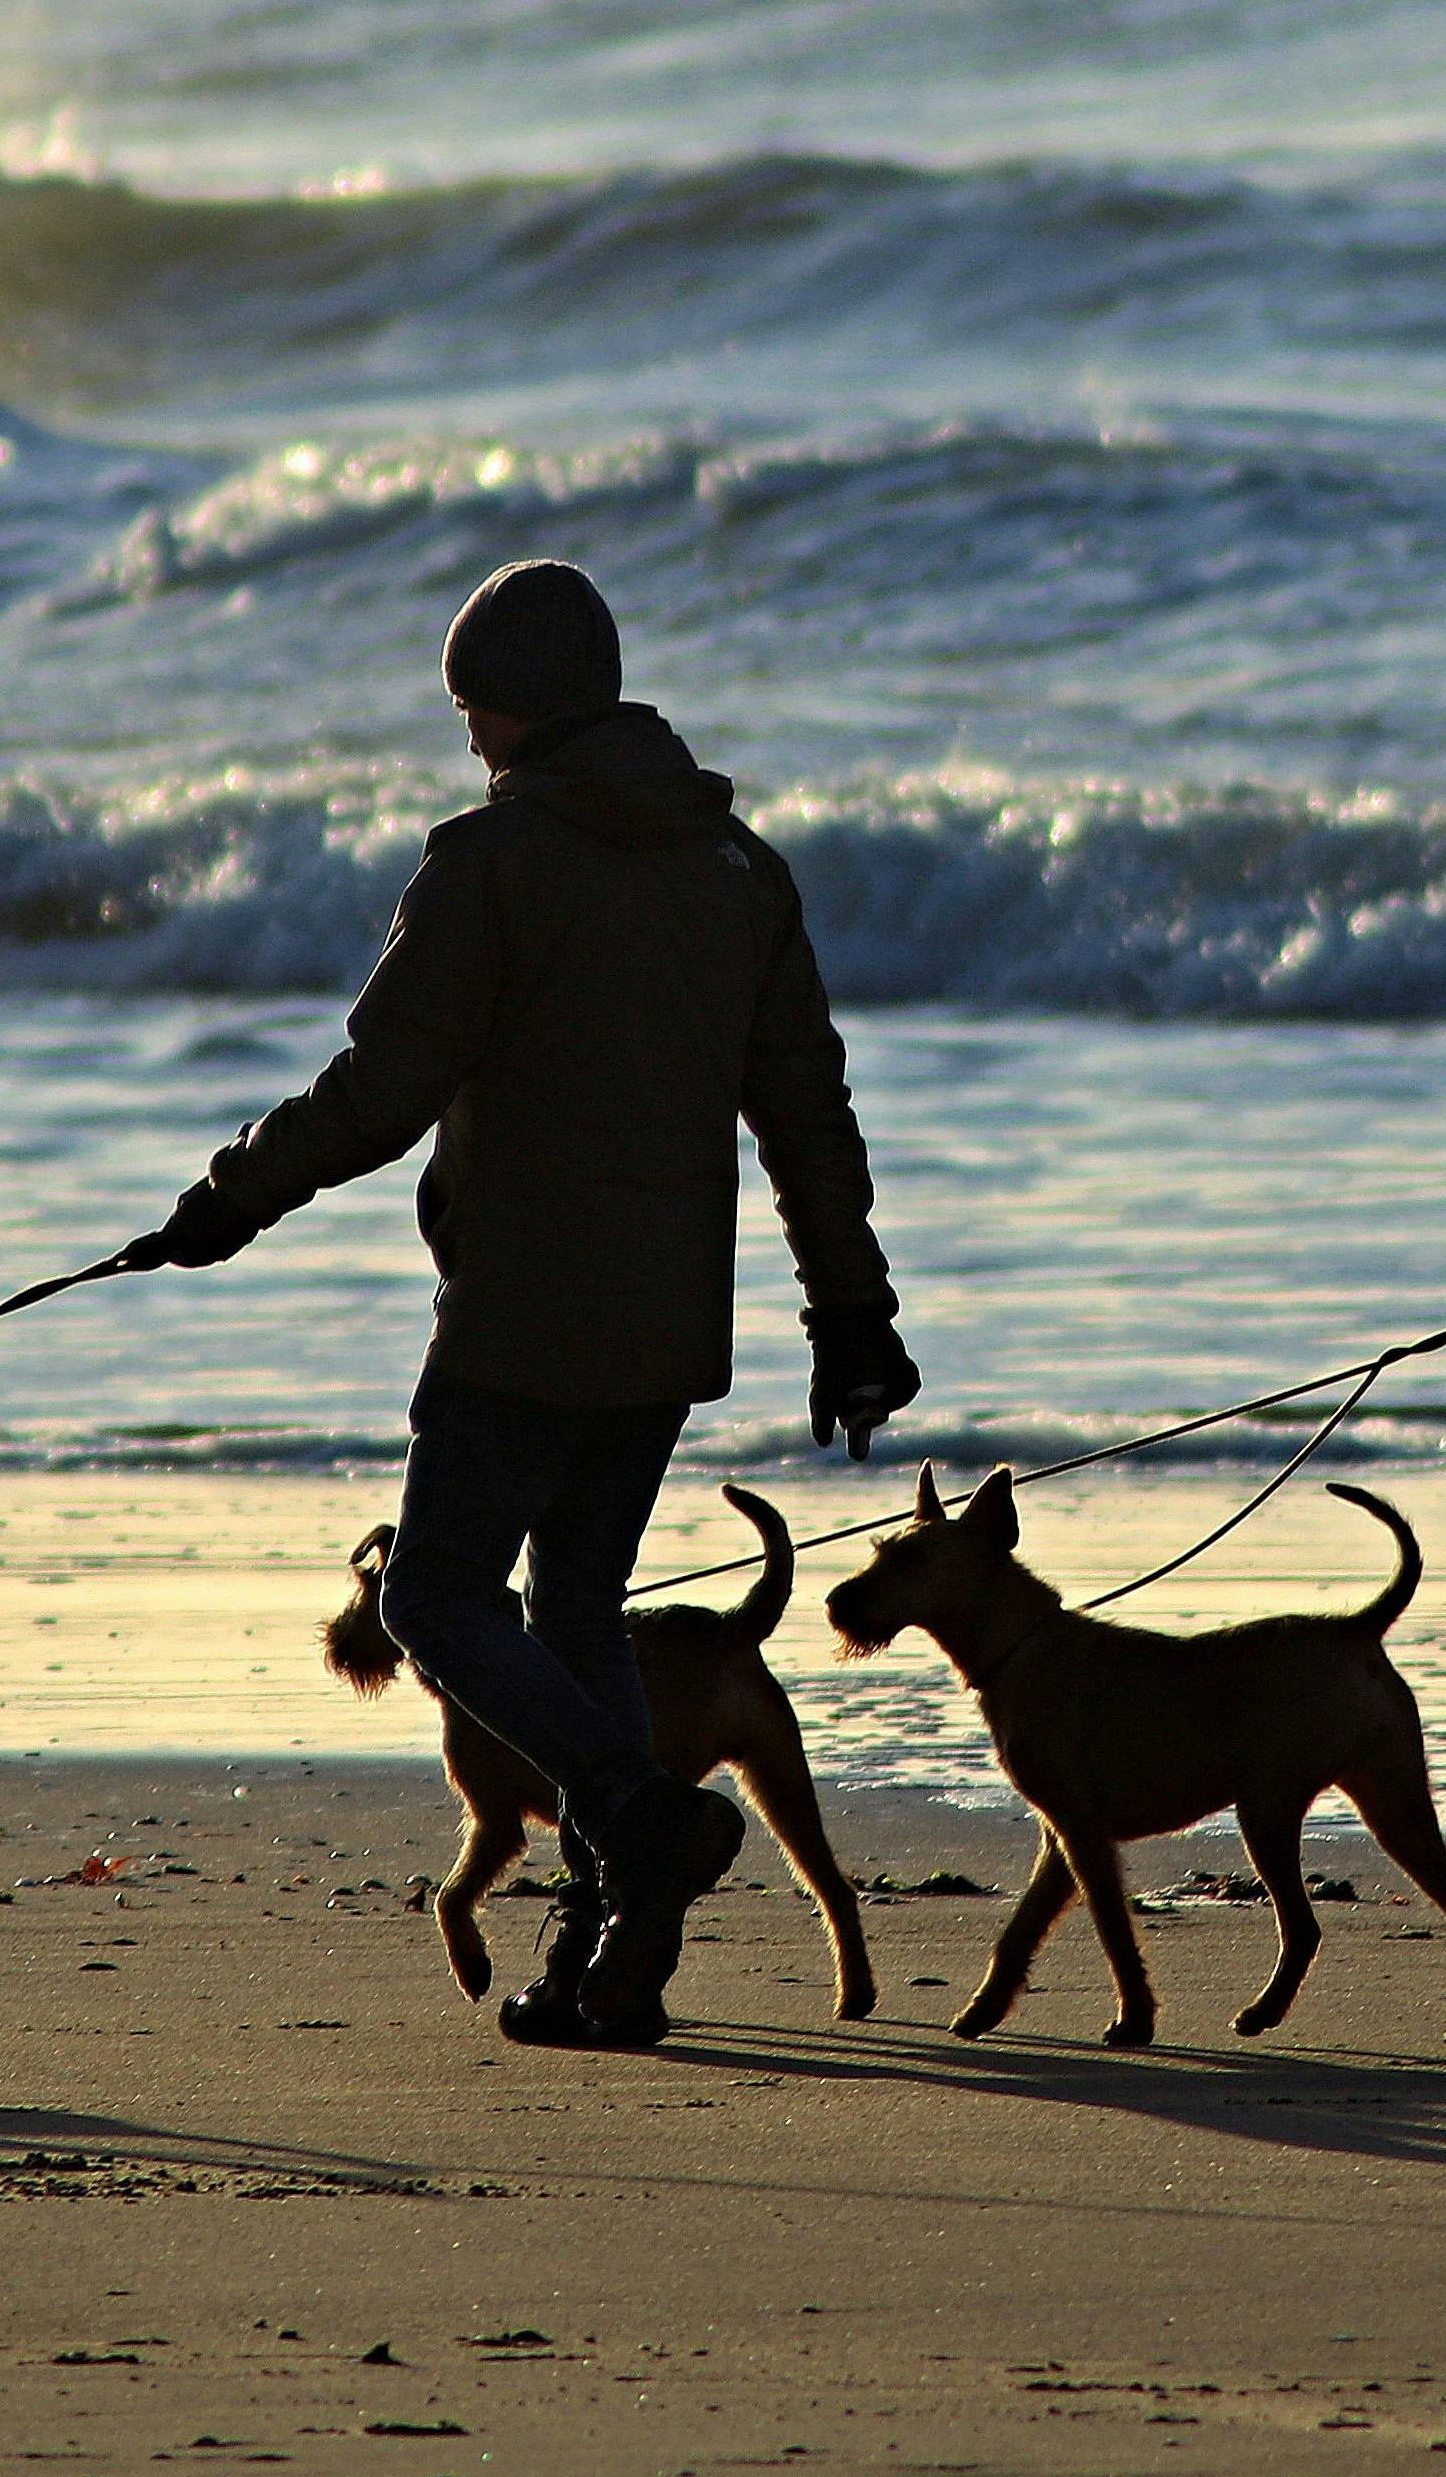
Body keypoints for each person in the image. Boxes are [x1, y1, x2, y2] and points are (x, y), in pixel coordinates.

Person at [119, 557, 918, 2049]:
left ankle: (626, 1811)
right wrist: (852, 1319)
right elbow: (807, 1112)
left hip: (520, 1321)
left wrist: (227, 1200)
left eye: (474, 707)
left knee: (432, 1596)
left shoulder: (490, 867)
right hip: (670, 1328)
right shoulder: (736, 869)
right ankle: (615, 1972)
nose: (470, 737)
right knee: (576, 1619)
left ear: (522, 708)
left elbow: (382, 1089)